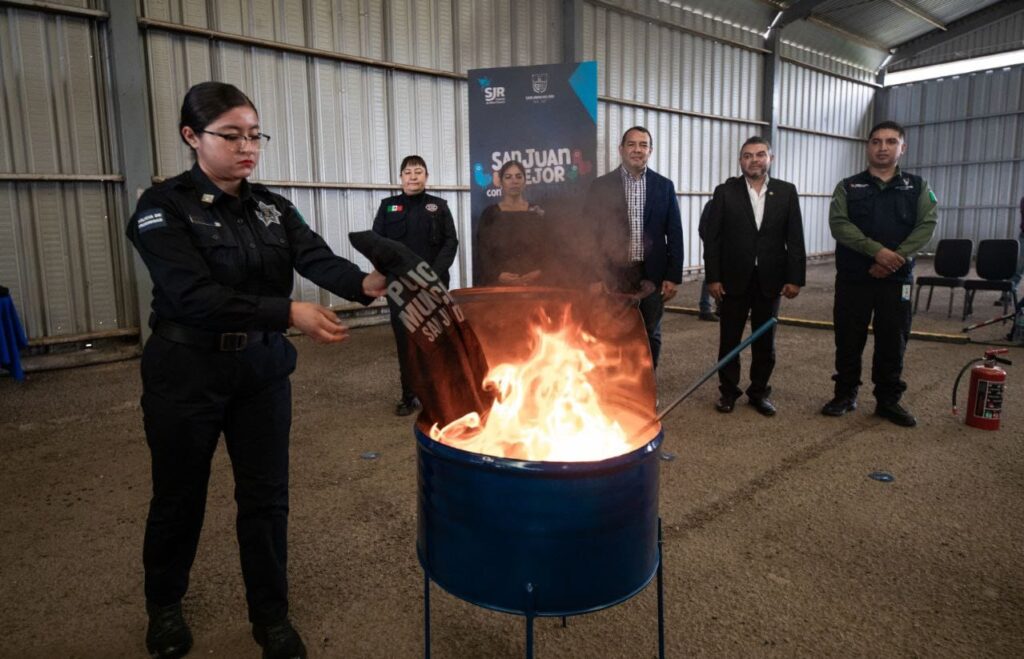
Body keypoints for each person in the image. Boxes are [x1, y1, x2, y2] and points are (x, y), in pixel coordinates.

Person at [127, 81, 386, 659]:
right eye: (232, 136)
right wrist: (287, 311)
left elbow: (314, 255)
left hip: (260, 373)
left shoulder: (271, 205)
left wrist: (365, 284)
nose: (248, 147)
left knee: (267, 499)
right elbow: (191, 294)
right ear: (192, 137)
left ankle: (270, 615)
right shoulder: (162, 208)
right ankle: (164, 605)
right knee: (178, 495)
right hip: (186, 373)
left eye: (255, 135)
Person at [821, 120, 937, 427]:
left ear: (902, 147)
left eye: (890, 141)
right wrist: (878, 251)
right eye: (876, 141)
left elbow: (926, 226)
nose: (882, 147)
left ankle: (888, 400)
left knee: (893, 339)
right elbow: (840, 225)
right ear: (868, 146)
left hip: (896, 280)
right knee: (848, 337)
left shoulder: (917, 187)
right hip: (854, 279)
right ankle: (845, 394)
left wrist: (893, 258)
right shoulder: (848, 186)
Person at [703, 137, 806, 416]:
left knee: (765, 342)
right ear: (741, 161)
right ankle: (728, 393)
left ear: (770, 158)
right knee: (729, 340)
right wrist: (713, 277)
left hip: (771, 281)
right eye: (747, 156)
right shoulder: (725, 192)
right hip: (733, 279)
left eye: (760, 154)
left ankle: (759, 392)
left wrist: (795, 277)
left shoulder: (786, 192)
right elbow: (712, 238)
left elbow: (794, 237)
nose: (754, 160)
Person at [585, 126, 684, 368]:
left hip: (653, 273)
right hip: (613, 275)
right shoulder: (601, 186)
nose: (637, 150)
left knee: (651, 333)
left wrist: (673, 276)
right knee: (612, 333)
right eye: (631, 144)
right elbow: (590, 235)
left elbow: (675, 233)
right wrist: (594, 276)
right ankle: (617, 388)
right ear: (621, 149)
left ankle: (647, 387)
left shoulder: (664, 186)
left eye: (643, 145)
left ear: (650, 150)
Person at [372, 155, 458, 416]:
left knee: (436, 339)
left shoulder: (439, 206)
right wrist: (394, 272)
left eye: (418, 172)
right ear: (400, 178)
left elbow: (450, 242)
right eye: (407, 172)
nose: (413, 176)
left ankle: (438, 394)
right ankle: (409, 396)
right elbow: (377, 245)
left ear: (426, 177)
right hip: (400, 287)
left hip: (433, 284)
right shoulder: (388, 207)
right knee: (406, 342)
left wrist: (432, 274)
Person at [476, 160, 548, 286]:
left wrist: (539, 272)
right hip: (499, 286)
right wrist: (497, 274)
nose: (514, 181)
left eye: (518, 176)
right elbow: (482, 252)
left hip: (534, 285)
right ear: (501, 182)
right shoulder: (490, 214)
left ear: (525, 181)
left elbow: (549, 248)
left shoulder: (537, 212)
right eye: (508, 177)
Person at [696, 200, 718, 322]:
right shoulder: (713, 204)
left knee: (715, 277)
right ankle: (705, 308)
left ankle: (714, 308)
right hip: (716, 249)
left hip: (720, 248)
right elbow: (703, 228)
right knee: (711, 277)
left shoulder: (711, 204)